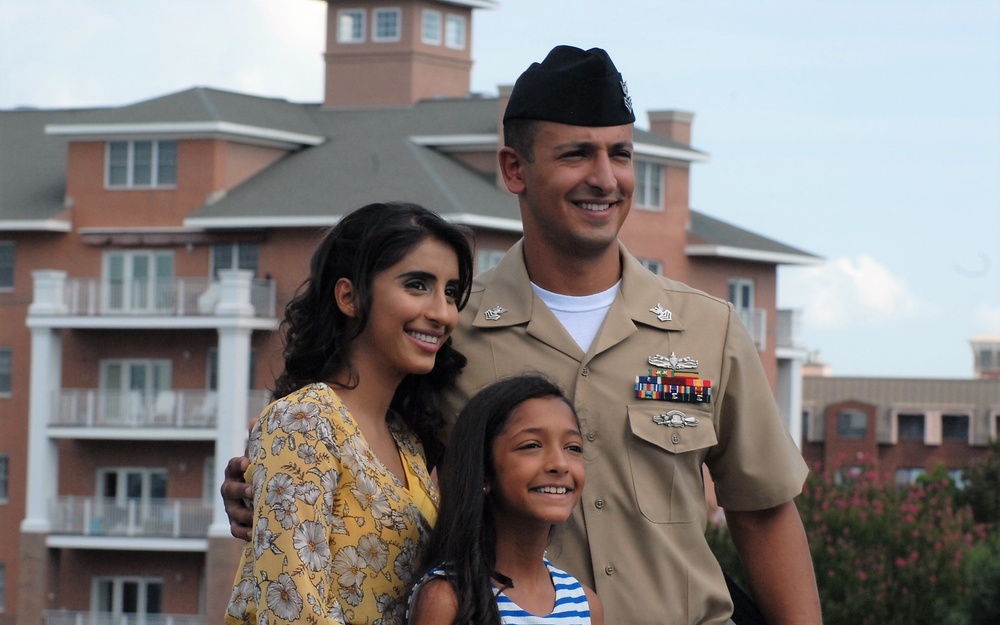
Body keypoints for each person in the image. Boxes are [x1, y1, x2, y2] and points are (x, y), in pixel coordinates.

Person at [225, 47, 822, 624]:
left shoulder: (707, 328)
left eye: (621, 154)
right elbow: (351, 439)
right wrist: (256, 481)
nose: (605, 178)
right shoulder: (447, 332)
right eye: (577, 155)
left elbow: (763, 513)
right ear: (515, 169)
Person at [225, 202, 473, 625]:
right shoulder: (303, 420)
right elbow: (293, 609)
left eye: (450, 292)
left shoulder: (405, 439)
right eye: (417, 285)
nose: (442, 313)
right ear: (348, 296)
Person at [405, 374, 604, 625]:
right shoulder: (449, 598)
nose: (560, 464)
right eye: (531, 445)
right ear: (484, 471)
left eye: (573, 447)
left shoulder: (585, 605)